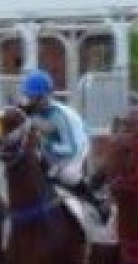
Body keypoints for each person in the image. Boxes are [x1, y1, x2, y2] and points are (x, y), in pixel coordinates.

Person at [18, 69, 107, 219]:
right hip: (58, 147)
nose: (30, 102)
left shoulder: (58, 116)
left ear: (45, 96)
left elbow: (70, 149)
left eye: (34, 98)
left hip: (78, 147)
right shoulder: (34, 111)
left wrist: (46, 146)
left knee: (67, 174)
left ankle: (96, 201)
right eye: (29, 97)